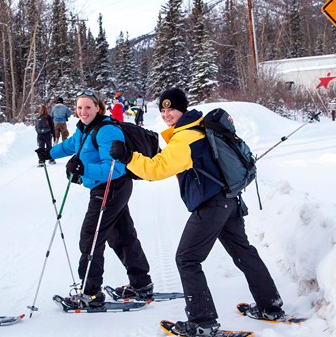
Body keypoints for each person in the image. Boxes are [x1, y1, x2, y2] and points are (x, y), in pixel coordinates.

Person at [109, 88, 284, 336]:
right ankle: (271, 306)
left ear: (183, 108)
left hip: (212, 205)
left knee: (187, 259)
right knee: (244, 252)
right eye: (163, 110)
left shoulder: (185, 138)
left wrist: (128, 156)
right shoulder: (201, 127)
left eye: (171, 108)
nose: (167, 114)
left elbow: (156, 169)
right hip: (229, 200)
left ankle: (202, 322)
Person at [35, 90, 153, 308]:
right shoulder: (85, 129)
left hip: (111, 187)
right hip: (109, 189)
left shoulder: (106, 131)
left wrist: (83, 168)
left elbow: (115, 168)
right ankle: (141, 284)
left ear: (98, 108)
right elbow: (71, 145)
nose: (83, 112)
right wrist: (49, 153)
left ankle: (91, 293)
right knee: (122, 235)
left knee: (91, 236)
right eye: (79, 107)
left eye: (88, 107)